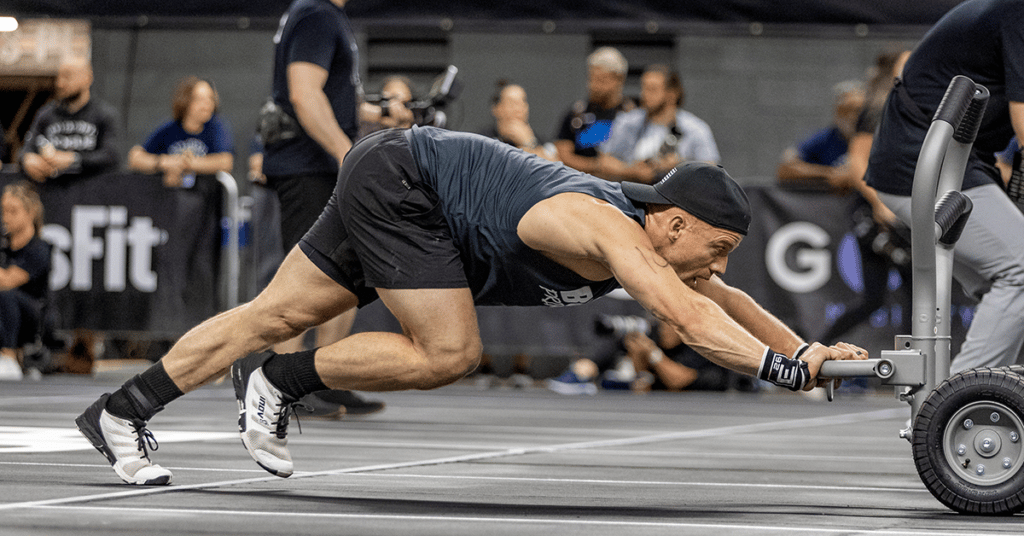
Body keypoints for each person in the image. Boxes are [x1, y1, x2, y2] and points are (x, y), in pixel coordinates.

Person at [75, 126, 866, 485]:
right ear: (674, 223)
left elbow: (728, 300)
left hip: (399, 181)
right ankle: (280, 382)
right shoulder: (610, 231)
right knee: (450, 352)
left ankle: (120, 411)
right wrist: (790, 375)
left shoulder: (658, 240)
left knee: (269, 313)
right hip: (406, 186)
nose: (717, 266)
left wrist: (812, 354)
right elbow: (691, 321)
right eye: (716, 248)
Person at [865, 0, 1024, 374]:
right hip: (922, 160)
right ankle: (957, 405)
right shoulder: (1018, 13)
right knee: (1021, 270)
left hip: (960, 159)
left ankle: (965, 403)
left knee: (1005, 284)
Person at [256, 0, 383, 418]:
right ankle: (280, 387)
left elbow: (327, 92)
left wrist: (378, 112)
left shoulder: (319, 14)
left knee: (345, 272)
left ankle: (324, 379)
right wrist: (347, 153)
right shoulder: (317, 14)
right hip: (308, 165)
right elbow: (304, 93)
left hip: (313, 164)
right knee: (306, 279)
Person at [818, 51, 914, 353]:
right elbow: (857, 162)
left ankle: (916, 368)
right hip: (877, 215)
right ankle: (813, 352)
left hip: (902, 210)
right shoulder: (875, 110)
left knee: (915, 295)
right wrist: (878, 204)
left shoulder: (905, 109)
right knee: (876, 298)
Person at [547, 315, 748, 395]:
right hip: (659, 395)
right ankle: (576, 377)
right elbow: (643, 383)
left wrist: (653, 354)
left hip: (708, 389)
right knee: (600, 358)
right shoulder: (651, 333)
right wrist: (638, 356)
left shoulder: (699, 343)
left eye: (674, 326)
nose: (667, 330)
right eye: (665, 323)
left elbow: (679, 380)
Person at [597, 64, 720, 184]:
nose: (643, 95)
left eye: (652, 89)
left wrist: (680, 166)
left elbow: (712, 171)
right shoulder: (627, 122)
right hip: (629, 197)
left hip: (675, 200)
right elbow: (603, 162)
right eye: (643, 88)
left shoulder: (695, 129)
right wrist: (632, 171)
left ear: (672, 94)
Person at [20, 57, 120, 183]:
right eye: (59, 77)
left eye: (67, 76)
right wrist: (28, 159)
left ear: (87, 78)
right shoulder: (46, 114)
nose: (60, 83)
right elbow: (26, 149)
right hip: (51, 191)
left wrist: (74, 159)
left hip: (92, 192)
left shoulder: (104, 114)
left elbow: (111, 156)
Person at [127, 76, 234, 188]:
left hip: (206, 197)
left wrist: (186, 164)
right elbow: (135, 157)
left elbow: (226, 161)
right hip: (171, 197)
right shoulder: (169, 128)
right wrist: (163, 162)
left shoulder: (216, 127)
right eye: (200, 99)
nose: (207, 105)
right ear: (185, 101)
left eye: (211, 99)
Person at [553, 47, 636, 175]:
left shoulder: (633, 115)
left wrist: (622, 169)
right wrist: (596, 165)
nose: (593, 86)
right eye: (591, 79)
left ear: (619, 79)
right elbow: (561, 155)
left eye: (601, 80)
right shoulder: (576, 114)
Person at [0, 182, 51, 381]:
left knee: (5, 295)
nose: (6, 217)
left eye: (13, 211)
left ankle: (9, 355)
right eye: (4, 210)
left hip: (32, 318)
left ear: (30, 213)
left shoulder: (39, 249)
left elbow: (7, 281)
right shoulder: (3, 245)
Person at [776, 81, 865, 188]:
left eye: (858, 110)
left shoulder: (876, 139)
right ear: (836, 111)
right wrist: (829, 173)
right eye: (846, 110)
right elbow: (785, 169)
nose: (852, 117)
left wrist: (854, 175)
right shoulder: (824, 139)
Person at [478, 80, 558, 161]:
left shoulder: (538, 140)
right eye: (512, 103)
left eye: (523, 102)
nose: (519, 109)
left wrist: (528, 143)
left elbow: (555, 169)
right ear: (496, 109)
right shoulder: (484, 140)